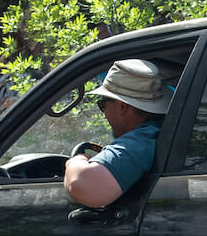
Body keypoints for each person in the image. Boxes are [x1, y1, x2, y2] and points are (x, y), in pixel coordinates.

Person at [64, 59, 169, 208]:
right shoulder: (160, 128)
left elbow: (82, 185)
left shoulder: (142, 139)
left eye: (103, 104)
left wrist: (75, 160)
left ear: (122, 107)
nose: (104, 112)